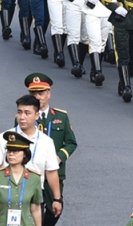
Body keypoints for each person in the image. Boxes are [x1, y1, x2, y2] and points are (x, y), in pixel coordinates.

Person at [0, 94, 63, 226]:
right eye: (19, 112)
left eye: (27, 113)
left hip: (32, 197)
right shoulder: (3, 138)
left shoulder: (46, 142)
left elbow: (51, 172)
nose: (22, 117)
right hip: (6, 195)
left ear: (37, 116)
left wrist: (57, 198)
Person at [24, 73, 76, 225]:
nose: (38, 97)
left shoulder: (61, 116)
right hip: (32, 170)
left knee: (55, 208)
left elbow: (71, 142)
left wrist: (59, 157)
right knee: (33, 208)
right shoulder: (24, 116)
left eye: (41, 93)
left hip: (54, 172)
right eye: (34, 93)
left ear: (49, 94)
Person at [0, 131, 44, 226]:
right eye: (9, 150)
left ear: (25, 154)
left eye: (15, 151)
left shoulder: (34, 178)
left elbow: (36, 209)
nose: (11, 154)